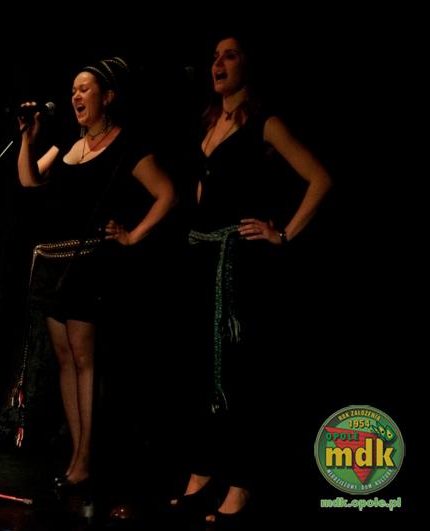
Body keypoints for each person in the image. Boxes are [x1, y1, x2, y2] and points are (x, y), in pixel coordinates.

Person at [170, 33, 333, 525]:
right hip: (202, 258)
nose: (218, 64)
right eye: (214, 57)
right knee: (201, 370)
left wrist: (282, 234)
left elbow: (320, 179)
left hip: (239, 264)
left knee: (240, 374)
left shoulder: (265, 123)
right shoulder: (209, 123)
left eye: (230, 55)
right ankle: (202, 471)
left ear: (248, 66)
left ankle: (241, 483)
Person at [16, 57, 178, 490]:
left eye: (84, 88)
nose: (75, 96)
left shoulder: (125, 146)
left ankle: (88, 456)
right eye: (73, 89)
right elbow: (29, 181)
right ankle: (77, 453)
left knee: (85, 358)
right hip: (55, 263)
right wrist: (27, 139)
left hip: (90, 265)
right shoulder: (68, 145)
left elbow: (167, 193)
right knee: (65, 358)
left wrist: (133, 235)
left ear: (107, 97)